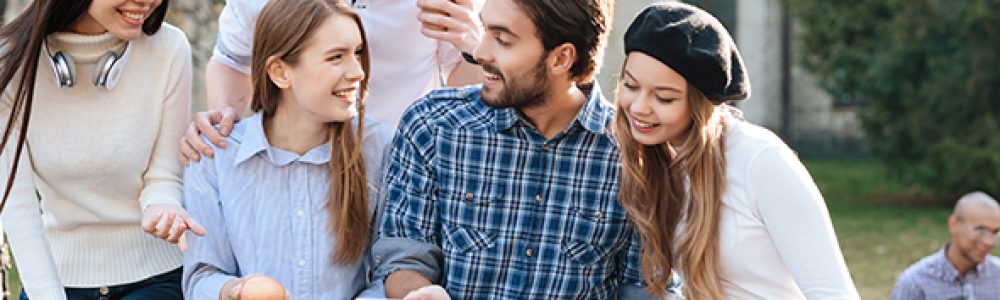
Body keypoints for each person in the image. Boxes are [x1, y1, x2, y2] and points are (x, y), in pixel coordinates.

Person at [372, 0, 663, 298]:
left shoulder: (636, 157)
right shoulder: (431, 126)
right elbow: (403, 255)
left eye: (502, 40)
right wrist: (419, 293)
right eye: (485, 30)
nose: (480, 52)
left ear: (561, 59)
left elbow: (642, 287)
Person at [613, 3, 860, 299]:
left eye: (664, 98)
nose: (639, 107)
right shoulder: (658, 161)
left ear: (699, 104)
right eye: (630, 85)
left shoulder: (761, 161)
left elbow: (833, 293)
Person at [180, 0, 394, 299]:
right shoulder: (215, 155)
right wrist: (238, 291)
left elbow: (391, 276)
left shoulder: (378, 146)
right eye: (336, 57)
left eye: (357, 53)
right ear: (280, 72)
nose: (358, 71)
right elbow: (201, 278)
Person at [0, 0, 198, 299]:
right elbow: (18, 206)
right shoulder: (10, 60)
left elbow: (164, 176)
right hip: (53, 278)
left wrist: (162, 205)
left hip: (155, 279)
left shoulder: (169, 48)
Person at [177, 0, 484, 165]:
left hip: (401, 168)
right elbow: (232, 61)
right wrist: (224, 123)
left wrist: (473, 48)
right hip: (293, 164)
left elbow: (460, 83)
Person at [891, 191, 1000, 299]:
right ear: (954, 225)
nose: (989, 241)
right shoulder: (915, 283)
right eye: (980, 230)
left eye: (995, 232)